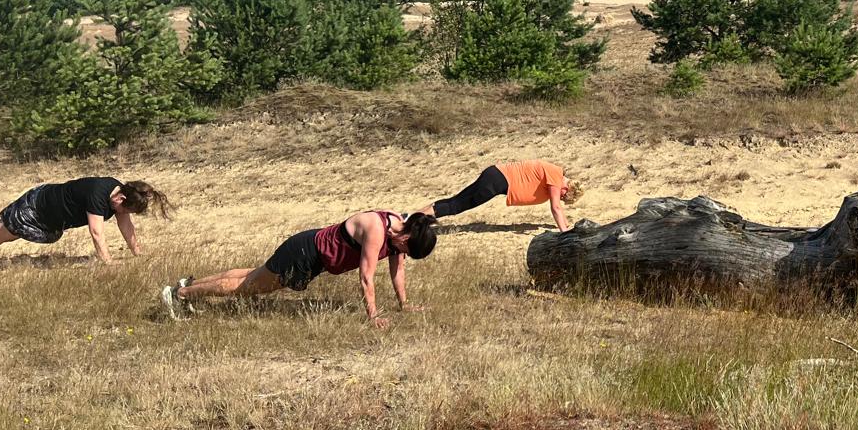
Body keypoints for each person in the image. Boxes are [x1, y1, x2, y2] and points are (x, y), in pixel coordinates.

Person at [159, 209, 438, 328]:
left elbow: (397, 271)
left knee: (252, 275)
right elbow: (366, 277)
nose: (401, 256)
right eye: (405, 251)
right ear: (405, 238)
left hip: (309, 250)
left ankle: (190, 285)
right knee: (249, 288)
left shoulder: (400, 233)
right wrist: (372, 316)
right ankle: (180, 294)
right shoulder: (378, 229)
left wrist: (405, 304)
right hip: (304, 254)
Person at [0, 178, 171, 268]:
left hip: (46, 218)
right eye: (125, 210)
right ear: (120, 199)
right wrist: (108, 262)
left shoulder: (119, 193)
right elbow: (96, 232)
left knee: (49, 235)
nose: (123, 214)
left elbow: (126, 226)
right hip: (33, 209)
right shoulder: (98, 196)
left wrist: (138, 254)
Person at [421, 161, 582, 231]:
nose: (560, 198)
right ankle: (413, 220)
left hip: (496, 176)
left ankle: (413, 216)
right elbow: (556, 208)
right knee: (456, 206)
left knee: (455, 202)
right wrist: (564, 231)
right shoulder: (556, 175)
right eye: (563, 196)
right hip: (497, 180)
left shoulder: (553, 173)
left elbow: (557, 207)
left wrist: (566, 224)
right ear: (567, 188)